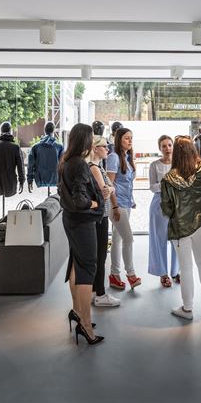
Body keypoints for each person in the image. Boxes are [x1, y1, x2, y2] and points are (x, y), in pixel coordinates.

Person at [161, 135, 201, 320]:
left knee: (186, 268)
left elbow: (166, 208)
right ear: (193, 150)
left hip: (180, 229)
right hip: (200, 223)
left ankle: (187, 309)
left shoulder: (168, 179)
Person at [59, 123, 105, 345]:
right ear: (85, 140)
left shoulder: (66, 161)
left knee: (77, 264)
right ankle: (85, 324)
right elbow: (81, 200)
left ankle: (77, 312)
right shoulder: (79, 164)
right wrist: (95, 202)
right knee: (87, 269)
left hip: (71, 219)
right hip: (82, 222)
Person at [85, 136, 121, 307]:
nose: (108, 149)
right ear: (95, 148)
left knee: (99, 254)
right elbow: (105, 192)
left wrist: (110, 188)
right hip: (100, 216)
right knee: (100, 255)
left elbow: (107, 189)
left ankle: (95, 291)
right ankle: (100, 294)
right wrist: (111, 188)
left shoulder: (97, 167)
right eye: (105, 147)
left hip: (100, 215)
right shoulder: (94, 168)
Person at [106, 127, 141, 290]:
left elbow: (127, 184)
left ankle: (114, 275)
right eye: (127, 138)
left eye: (131, 137)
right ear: (119, 139)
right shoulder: (113, 157)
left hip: (126, 204)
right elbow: (109, 184)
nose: (130, 140)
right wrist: (115, 206)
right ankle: (131, 274)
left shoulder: (127, 157)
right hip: (116, 204)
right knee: (128, 239)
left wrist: (131, 201)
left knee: (118, 239)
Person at [148, 135, 180, 287]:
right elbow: (152, 187)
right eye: (164, 146)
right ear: (159, 148)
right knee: (159, 239)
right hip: (159, 204)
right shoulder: (154, 165)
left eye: (169, 145)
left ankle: (176, 271)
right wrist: (166, 184)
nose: (167, 148)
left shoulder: (179, 164)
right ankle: (162, 273)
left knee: (177, 239)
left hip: (177, 204)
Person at [0, 122, 25, 197]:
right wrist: (21, 180)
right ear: (10, 131)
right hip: (10, 181)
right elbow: (20, 166)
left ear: (1, 130)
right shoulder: (15, 147)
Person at [27, 121, 63, 193]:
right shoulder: (59, 147)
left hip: (40, 179)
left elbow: (30, 165)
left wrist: (30, 180)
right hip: (55, 179)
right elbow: (63, 166)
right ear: (53, 130)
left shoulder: (35, 147)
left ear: (44, 130)